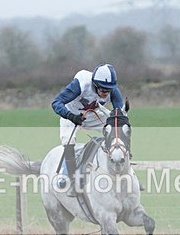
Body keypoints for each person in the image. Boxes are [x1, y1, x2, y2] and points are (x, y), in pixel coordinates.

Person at [51, 63, 125, 194]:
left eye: (108, 91)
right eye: (102, 90)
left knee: (117, 131)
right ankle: (70, 177)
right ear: (94, 85)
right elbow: (56, 103)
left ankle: (125, 172)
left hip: (95, 116)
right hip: (72, 114)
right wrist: (71, 116)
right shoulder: (81, 83)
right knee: (69, 140)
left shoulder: (113, 90)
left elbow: (120, 115)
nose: (105, 94)